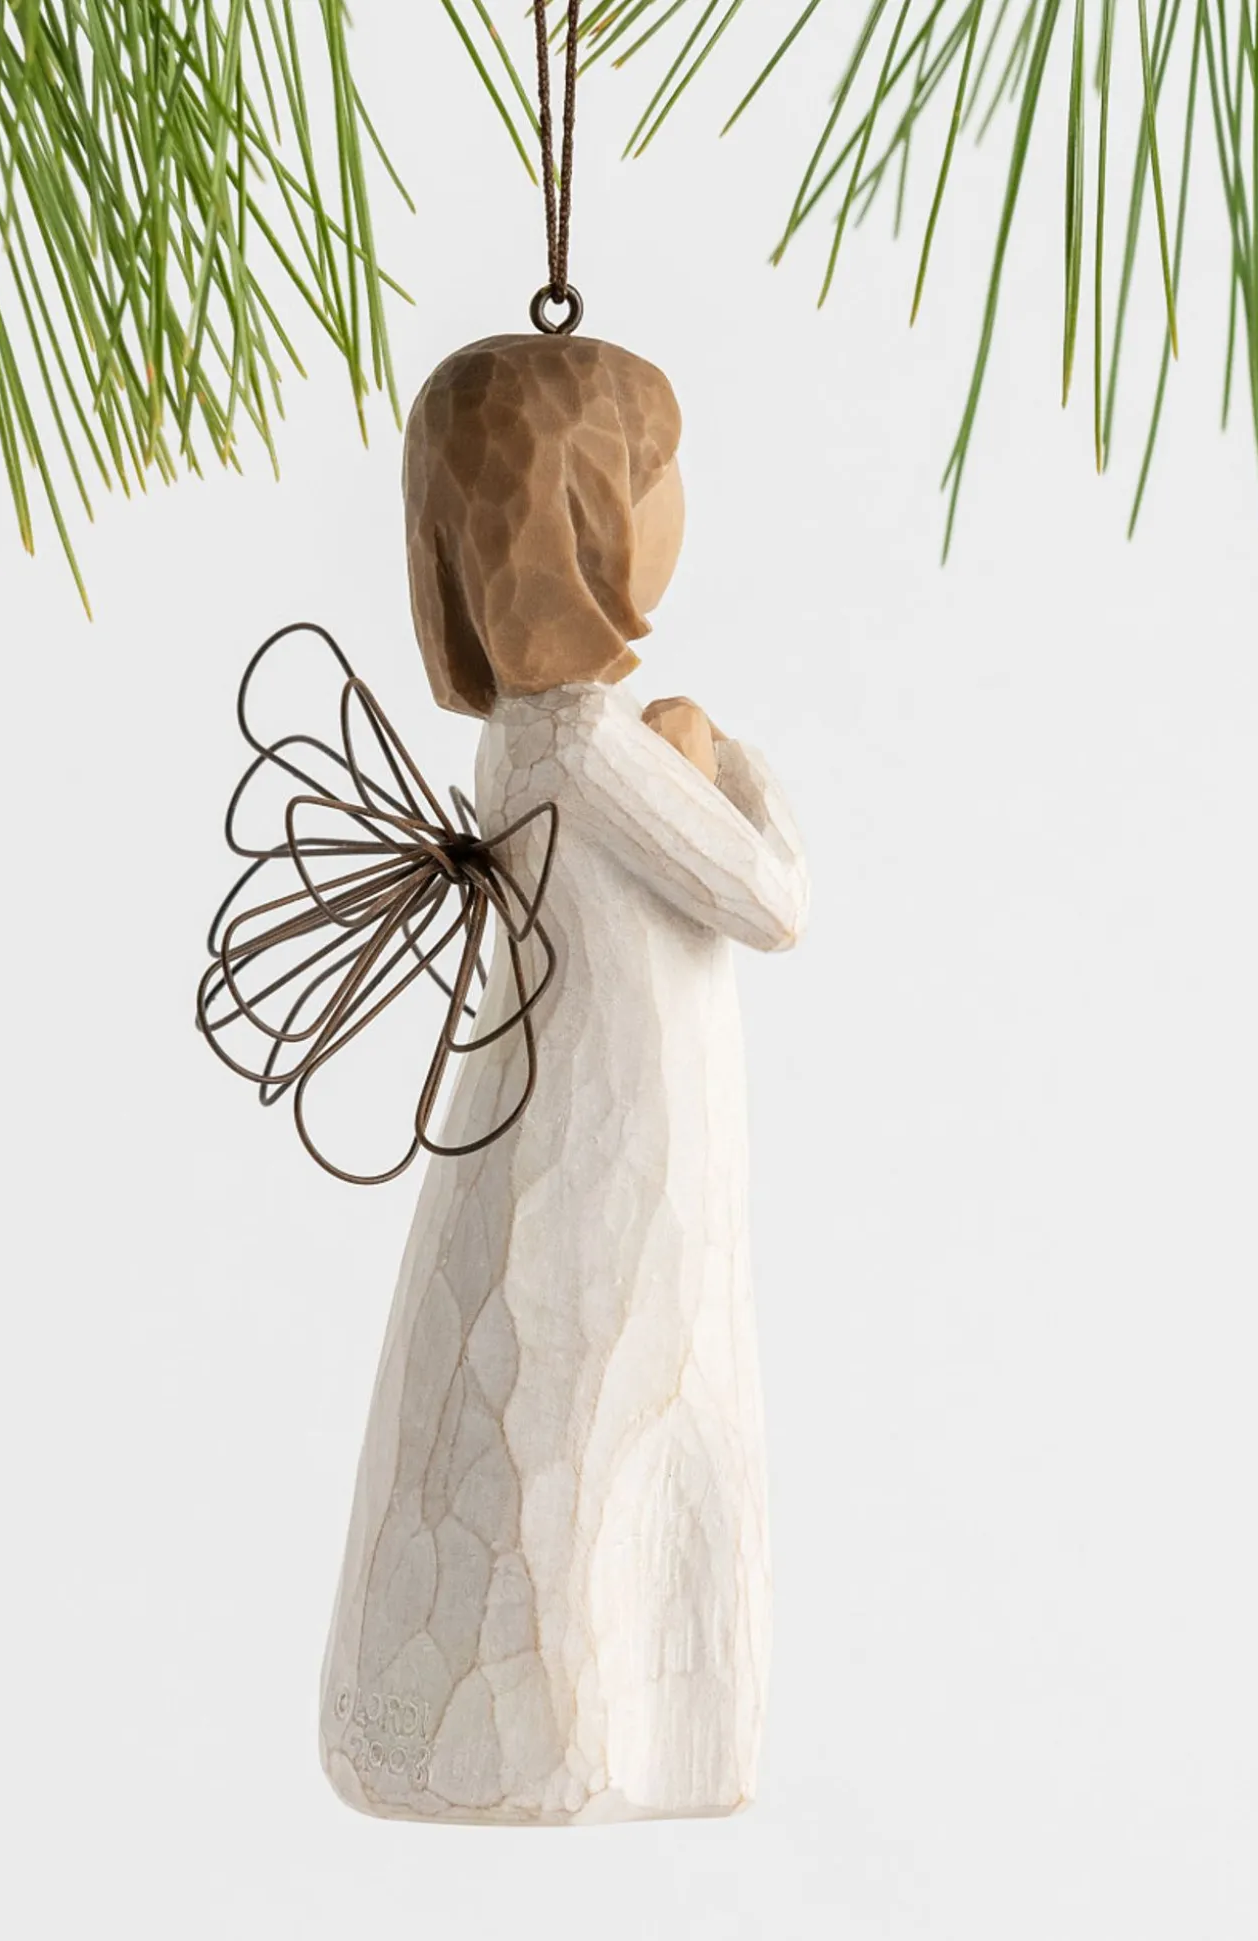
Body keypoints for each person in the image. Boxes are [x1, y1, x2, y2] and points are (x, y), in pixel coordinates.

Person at [320, 333, 810, 1823]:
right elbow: (772, 900)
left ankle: (604, 1742)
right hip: (609, 1178)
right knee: (595, 1425)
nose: (678, 506)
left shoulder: (530, 737)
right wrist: (732, 761)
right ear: (587, 512)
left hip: (590, 1147)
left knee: (596, 1426)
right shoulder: (588, 739)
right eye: (659, 475)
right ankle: (578, 1748)